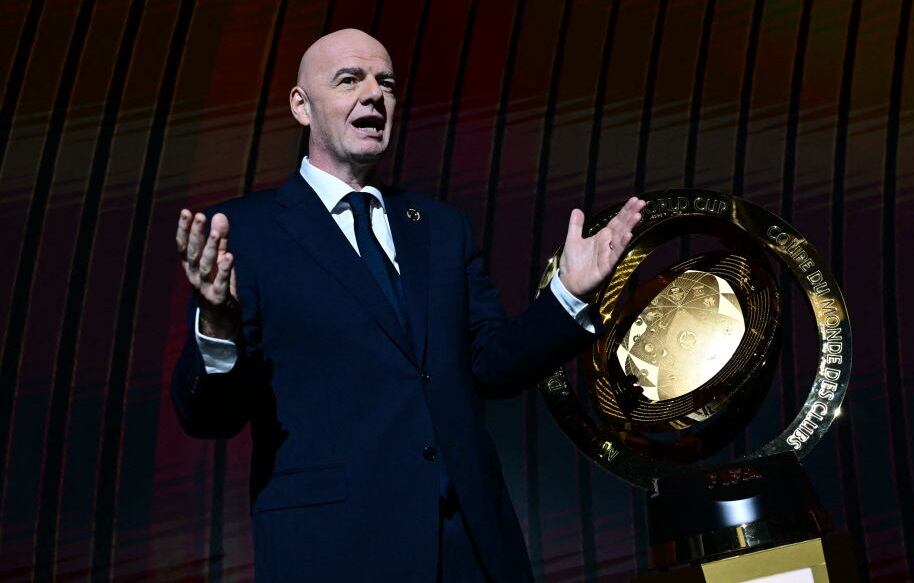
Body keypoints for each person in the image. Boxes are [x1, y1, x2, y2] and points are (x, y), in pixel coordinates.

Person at [171, 29, 644, 582]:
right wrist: (218, 323)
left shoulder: (441, 228)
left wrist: (568, 293)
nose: (373, 94)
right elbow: (210, 416)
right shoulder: (244, 231)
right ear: (301, 106)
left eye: (386, 83)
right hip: (336, 550)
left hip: (471, 546)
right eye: (349, 80)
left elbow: (490, 364)